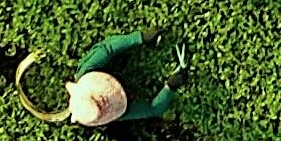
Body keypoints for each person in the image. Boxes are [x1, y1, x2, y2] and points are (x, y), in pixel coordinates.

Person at [21, 32, 184, 128]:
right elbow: (152, 109)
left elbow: (108, 48)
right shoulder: (120, 112)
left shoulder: (86, 70)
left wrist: (139, 37)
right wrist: (169, 88)